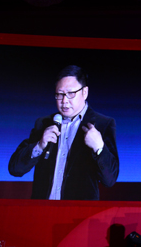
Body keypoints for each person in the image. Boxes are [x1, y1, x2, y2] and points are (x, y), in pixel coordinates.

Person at [8, 65, 119, 200]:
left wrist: (99, 148)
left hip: (78, 211)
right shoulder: (44, 124)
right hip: (42, 209)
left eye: (71, 94)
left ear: (85, 92)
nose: (64, 101)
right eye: (59, 94)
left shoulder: (102, 124)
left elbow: (110, 180)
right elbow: (15, 169)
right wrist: (39, 146)